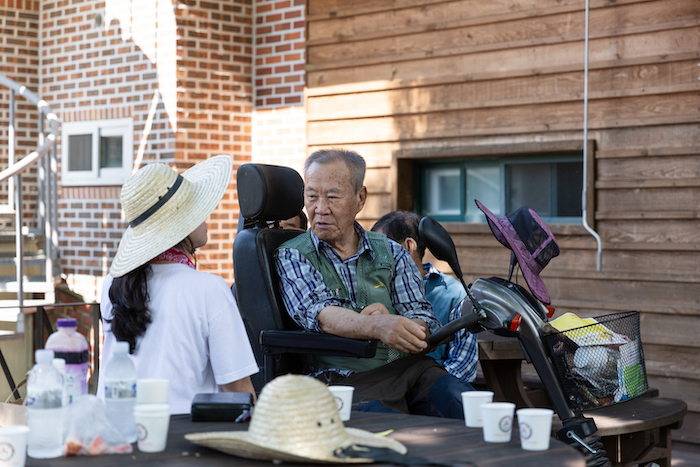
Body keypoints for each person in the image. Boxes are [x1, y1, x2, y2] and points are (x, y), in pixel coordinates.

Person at [275, 149, 473, 418]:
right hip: (341, 383)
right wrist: (377, 326)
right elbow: (320, 314)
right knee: (392, 431)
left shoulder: (393, 252)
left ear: (360, 198)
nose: (320, 209)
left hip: (409, 370)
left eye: (332, 196)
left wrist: (409, 328)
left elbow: (422, 317)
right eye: (311, 196)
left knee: (469, 407)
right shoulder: (293, 254)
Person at [97, 155, 258, 414]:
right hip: (183, 438)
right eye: (197, 208)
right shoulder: (209, 289)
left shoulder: (113, 284)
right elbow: (238, 391)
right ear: (180, 223)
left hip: (116, 432)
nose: (206, 214)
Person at [371, 211, 478, 382]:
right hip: (383, 387)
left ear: (408, 246)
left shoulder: (455, 294)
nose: (373, 257)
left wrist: (428, 387)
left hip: (434, 389)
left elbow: (463, 366)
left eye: (379, 248)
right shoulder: (371, 289)